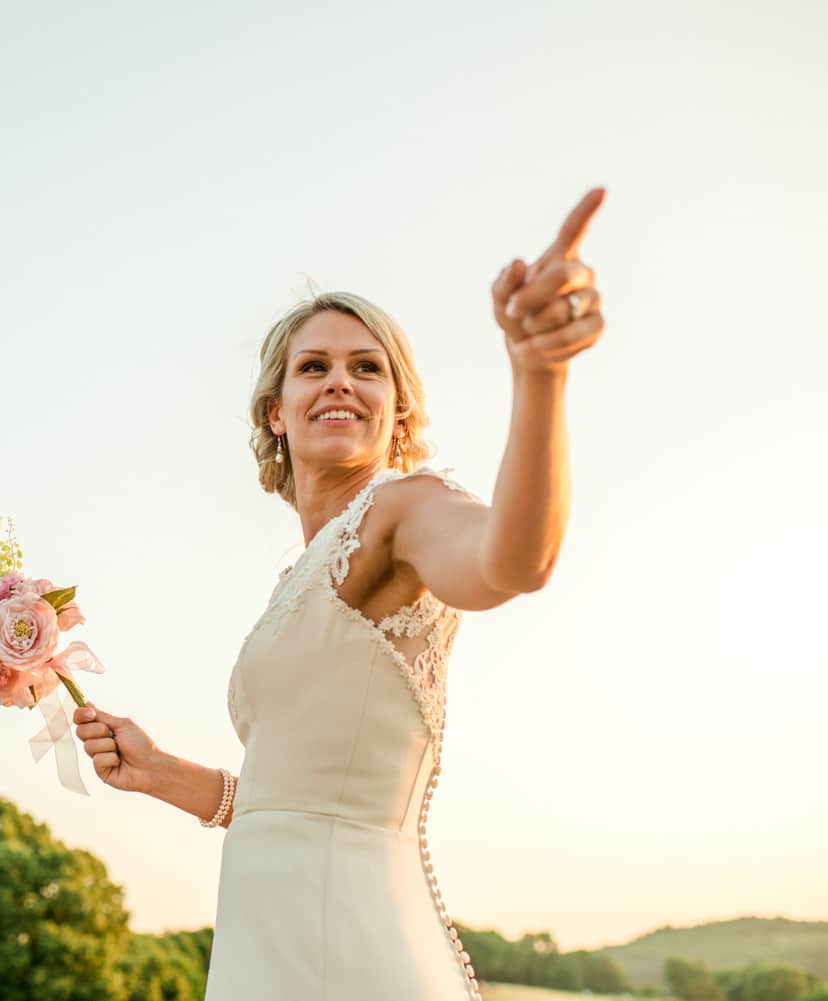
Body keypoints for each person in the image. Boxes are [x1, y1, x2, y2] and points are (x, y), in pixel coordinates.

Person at [72, 189, 607, 1000]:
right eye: (312, 367)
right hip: (261, 942)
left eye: (367, 367)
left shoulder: (405, 510)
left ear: (399, 410)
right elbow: (298, 795)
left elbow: (512, 560)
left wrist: (540, 374)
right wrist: (162, 772)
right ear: (275, 411)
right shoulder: (296, 576)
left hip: (353, 945)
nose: (339, 383)